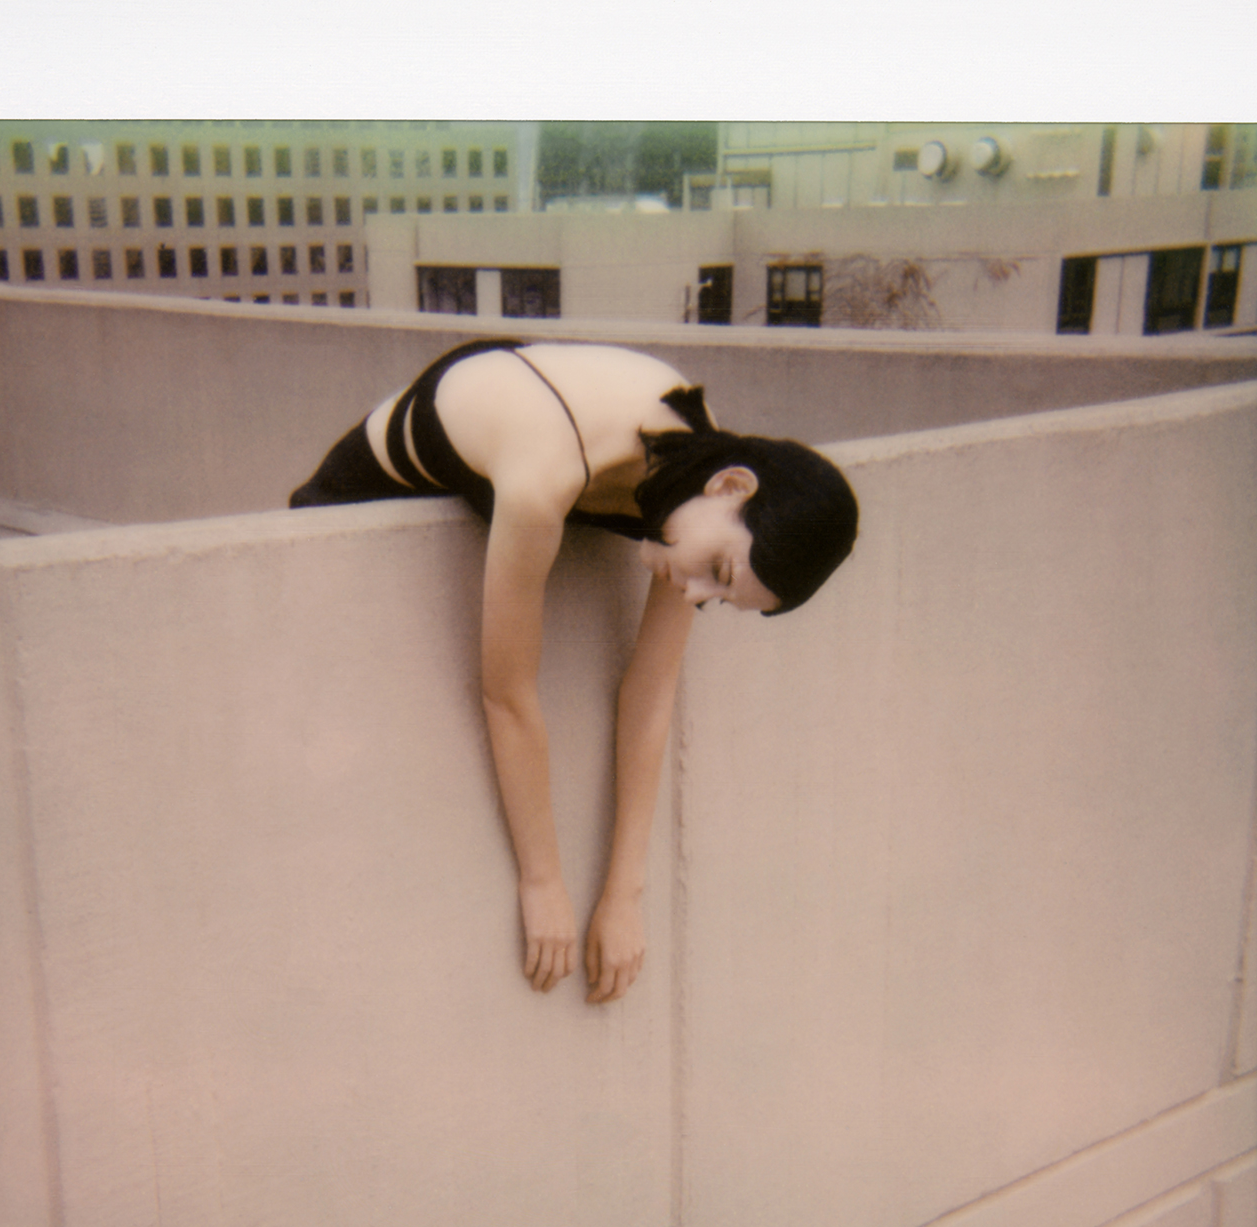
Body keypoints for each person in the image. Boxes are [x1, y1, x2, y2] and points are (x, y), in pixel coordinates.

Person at [291, 338, 858, 1004]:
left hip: (535, 410)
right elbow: (506, 694)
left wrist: (624, 895)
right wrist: (543, 883)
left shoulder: (695, 490)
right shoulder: (544, 476)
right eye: (721, 571)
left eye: (721, 598)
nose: (699, 594)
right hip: (357, 497)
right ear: (732, 485)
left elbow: (650, 692)